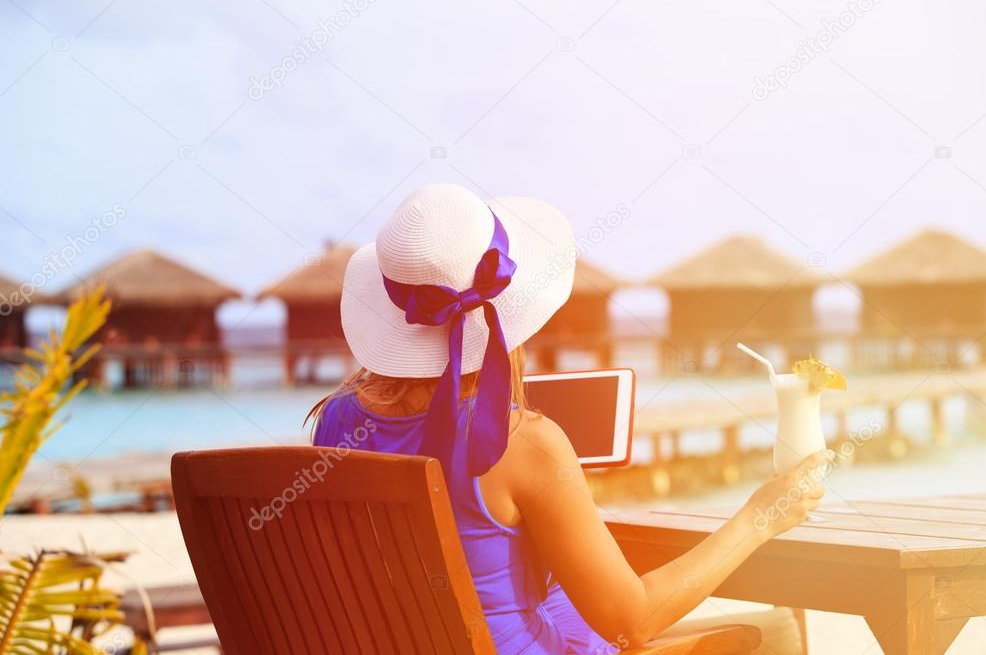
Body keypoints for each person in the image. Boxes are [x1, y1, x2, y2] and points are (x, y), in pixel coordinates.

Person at [310, 183, 831, 653]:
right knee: (777, 634)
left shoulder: (335, 424)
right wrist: (764, 514)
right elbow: (634, 620)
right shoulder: (525, 444)